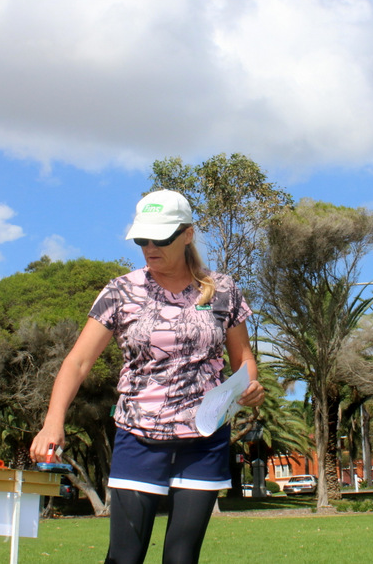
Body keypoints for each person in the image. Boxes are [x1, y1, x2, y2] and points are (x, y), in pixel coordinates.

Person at [30, 189, 265, 564]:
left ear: (188, 234)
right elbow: (77, 362)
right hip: (138, 437)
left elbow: (244, 360)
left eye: (162, 238)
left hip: (204, 439)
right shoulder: (120, 291)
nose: (150, 247)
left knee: (180, 558)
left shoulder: (223, 290)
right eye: (142, 239)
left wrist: (249, 386)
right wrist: (52, 422)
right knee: (125, 557)